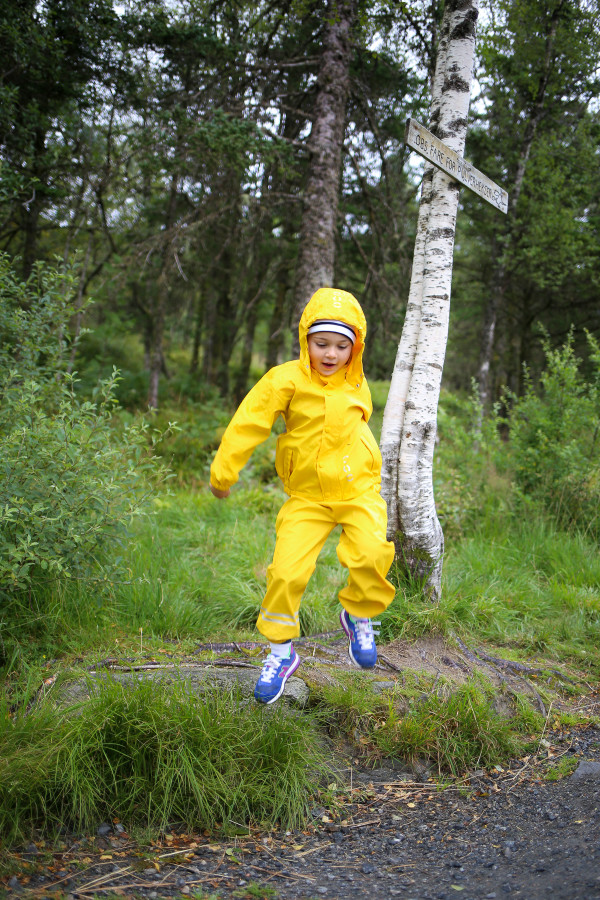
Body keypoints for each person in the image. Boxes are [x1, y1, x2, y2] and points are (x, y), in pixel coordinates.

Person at [209, 287, 395, 704]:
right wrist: (224, 472)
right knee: (286, 574)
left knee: (370, 552)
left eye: (341, 346)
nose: (330, 354)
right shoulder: (285, 379)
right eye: (321, 343)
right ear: (305, 340)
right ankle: (280, 653)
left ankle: (359, 613)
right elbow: (249, 421)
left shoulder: (358, 383)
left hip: (357, 491)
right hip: (307, 497)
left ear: (355, 347)